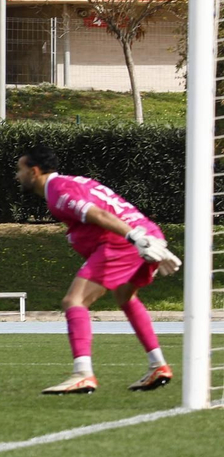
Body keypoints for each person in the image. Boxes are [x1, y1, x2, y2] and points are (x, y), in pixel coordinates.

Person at [17, 144, 181, 395]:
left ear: (34, 171)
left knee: (74, 301)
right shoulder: (74, 182)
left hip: (123, 242)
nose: (17, 176)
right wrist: (147, 236)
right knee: (125, 296)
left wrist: (136, 238)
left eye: (20, 169)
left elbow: (97, 214)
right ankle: (158, 364)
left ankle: (83, 374)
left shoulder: (58, 191)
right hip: (142, 234)